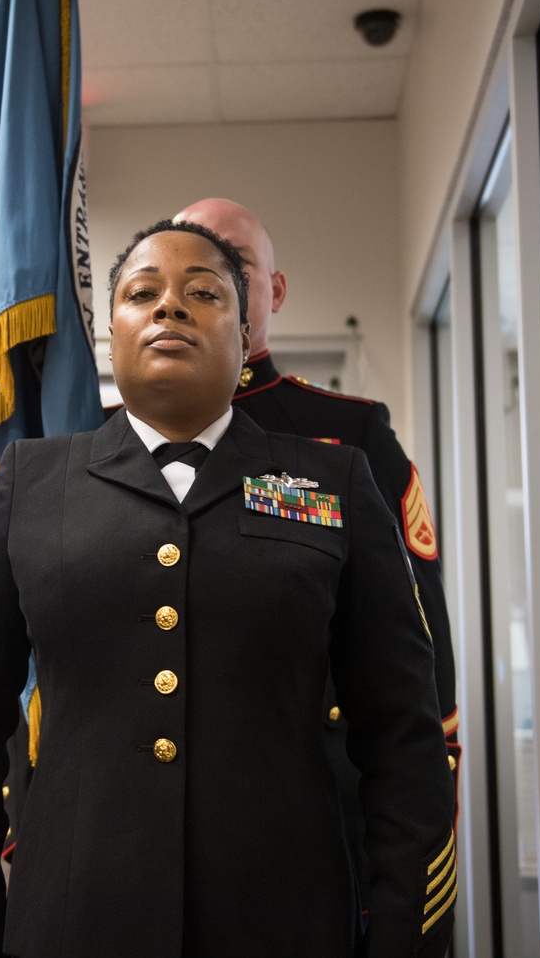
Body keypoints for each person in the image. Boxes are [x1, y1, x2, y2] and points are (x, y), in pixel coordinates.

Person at [0, 219, 456, 958]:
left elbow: (403, 735)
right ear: (112, 331)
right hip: (71, 922)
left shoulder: (331, 480)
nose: (170, 307)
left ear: (246, 337)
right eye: (143, 293)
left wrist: (402, 940)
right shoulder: (32, 484)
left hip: (284, 921)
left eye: (203, 293)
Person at [174, 198, 460, 788]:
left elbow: (415, 634)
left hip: (307, 793)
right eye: (194, 259)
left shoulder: (349, 435)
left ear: (275, 291)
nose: (213, 275)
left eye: (237, 260)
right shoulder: (103, 437)